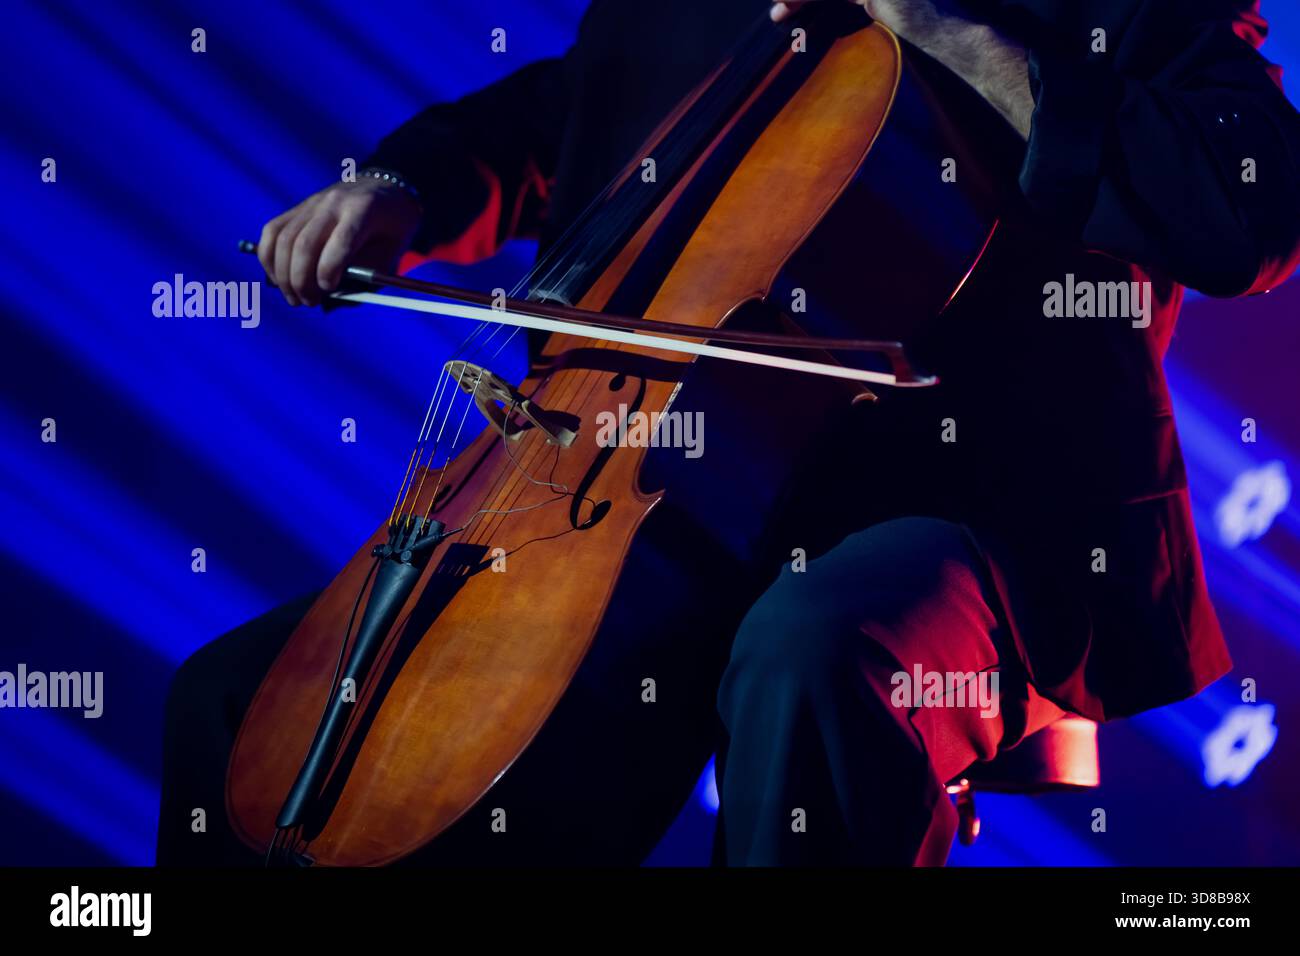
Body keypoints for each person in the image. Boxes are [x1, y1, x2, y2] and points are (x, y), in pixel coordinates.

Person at [158, 0, 1300, 865]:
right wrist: (403, 183)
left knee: (817, 645)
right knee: (227, 701)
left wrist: (945, 32)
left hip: (968, 501)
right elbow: (568, 110)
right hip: (659, 476)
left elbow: (1247, 208)